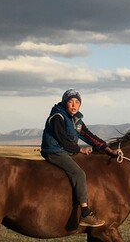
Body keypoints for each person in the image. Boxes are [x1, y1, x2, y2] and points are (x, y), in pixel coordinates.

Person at [41, 89, 113, 227]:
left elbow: (88, 136)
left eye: (77, 102)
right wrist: (80, 149)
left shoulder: (76, 120)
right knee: (78, 173)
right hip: (54, 151)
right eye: (70, 101)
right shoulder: (58, 116)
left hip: (67, 150)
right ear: (64, 103)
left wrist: (107, 149)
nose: (74, 105)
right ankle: (85, 213)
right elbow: (61, 139)